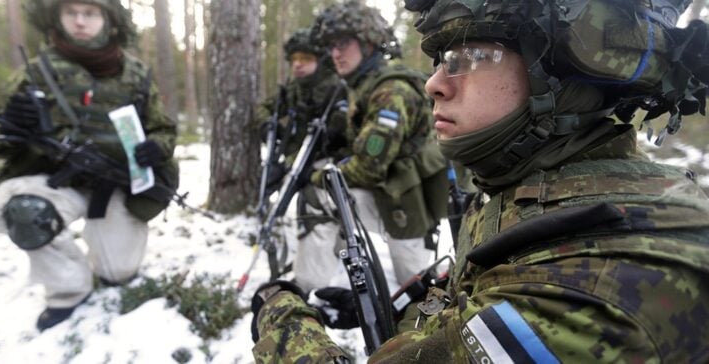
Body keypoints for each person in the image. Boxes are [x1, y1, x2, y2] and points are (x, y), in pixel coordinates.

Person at [249, 0, 709, 362]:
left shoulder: (598, 284)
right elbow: (471, 293)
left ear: (555, 74)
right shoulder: (537, 191)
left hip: (404, 205)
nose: (434, 83)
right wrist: (400, 313)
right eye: (441, 60)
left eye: (470, 56)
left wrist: (282, 316)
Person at [0, 0, 179, 331]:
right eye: (70, 12)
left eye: (89, 13)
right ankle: (68, 289)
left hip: (115, 183)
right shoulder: (35, 72)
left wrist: (154, 148)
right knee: (27, 213)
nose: (79, 21)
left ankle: (108, 267)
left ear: (108, 20)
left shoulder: (136, 74)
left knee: (118, 272)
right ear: (57, 18)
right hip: (54, 180)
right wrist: (11, 126)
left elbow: (164, 129)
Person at [292, 1, 449, 294]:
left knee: (418, 293)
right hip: (396, 190)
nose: (335, 53)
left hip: (409, 202)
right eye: (330, 46)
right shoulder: (367, 83)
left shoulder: (389, 91)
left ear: (368, 43)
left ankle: (301, 294)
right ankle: (313, 283)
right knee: (323, 195)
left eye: (342, 43)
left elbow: (367, 167)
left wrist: (316, 176)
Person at [254, 28, 347, 196]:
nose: (297, 64)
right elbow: (263, 108)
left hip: (328, 164)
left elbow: (332, 139)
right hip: (296, 159)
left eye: (306, 59)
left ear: (320, 60)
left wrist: (287, 165)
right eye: (294, 59)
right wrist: (267, 126)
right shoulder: (294, 89)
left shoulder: (335, 90)